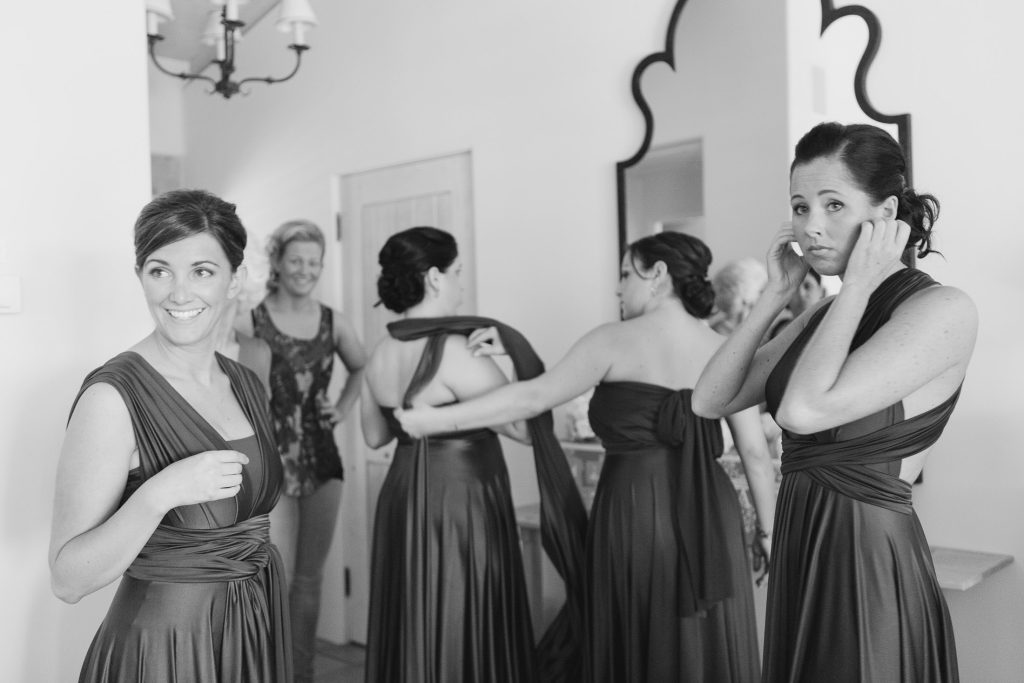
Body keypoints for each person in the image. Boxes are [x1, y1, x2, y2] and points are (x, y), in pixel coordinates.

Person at [399, 231, 777, 683]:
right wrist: (769, 534)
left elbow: (531, 398)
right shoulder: (727, 348)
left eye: (624, 274)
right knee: (704, 642)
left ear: (656, 275)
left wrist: (432, 422)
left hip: (634, 508)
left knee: (633, 631)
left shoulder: (612, 341)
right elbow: (755, 453)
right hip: (712, 514)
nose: (617, 288)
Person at [693, 121, 976, 681]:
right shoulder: (823, 315)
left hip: (865, 553)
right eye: (800, 208)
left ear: (886, 214)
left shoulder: (943, 310)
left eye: (833, 205)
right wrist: (775, 294)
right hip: (804, 543)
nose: (811, 227)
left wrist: (855, 288)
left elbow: (802, 411)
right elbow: (711, 398)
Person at [50, 189, 291, 682]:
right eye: (160, 271)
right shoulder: (113, 398)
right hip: (163, 650)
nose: (179, 294)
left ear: (235, 279)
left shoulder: (246, 382)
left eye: (202, 271)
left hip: (252, 630)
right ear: (140, 276)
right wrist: (160, 493)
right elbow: (67, 579)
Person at [360, 226, 587, 683]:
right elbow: (525, 427)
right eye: (458, 271)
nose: (463, 283)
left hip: (403, 493)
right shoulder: (454, 349)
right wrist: (512, 361)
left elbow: (373, 436)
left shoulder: (381, 350)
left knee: (415, 611)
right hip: (460, 499)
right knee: (462, 607)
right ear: (436, 278)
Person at [235, 218, 366, 683]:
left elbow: (362, 366)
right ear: (278, 262)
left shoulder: (334, 321)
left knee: (310, 580)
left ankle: (300, 676)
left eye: (314, 262)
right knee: (275, 577)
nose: (305, 269)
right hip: (270, 462)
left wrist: (343, 407)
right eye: (297, 260)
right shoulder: (251, 319)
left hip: (322, 459)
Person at [767, 268, 826, 339]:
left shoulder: (830, 328)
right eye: (794, 289)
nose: (801, 294)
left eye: (807, 286)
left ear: (822, 292)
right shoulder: (776, 330)